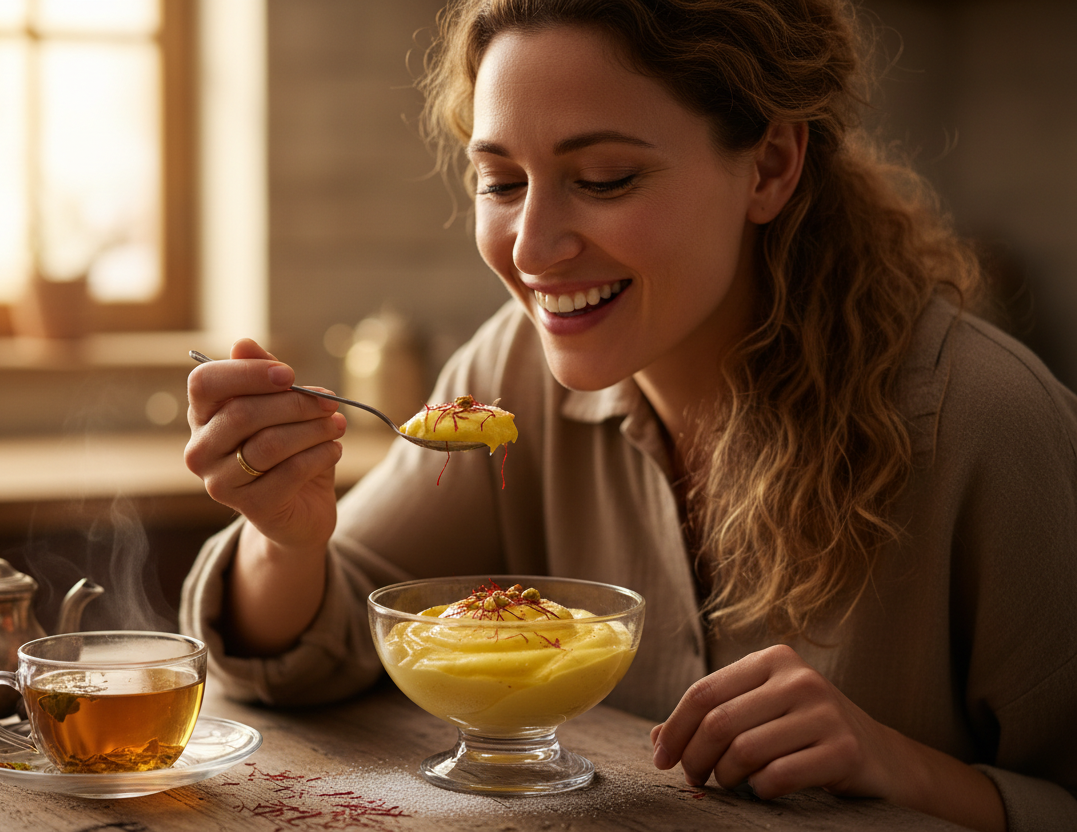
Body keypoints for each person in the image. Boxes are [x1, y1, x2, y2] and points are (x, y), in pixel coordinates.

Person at [180, 1, 1077, 830]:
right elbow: (310, 645)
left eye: (604, 179)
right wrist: (286, 535)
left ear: (770, 166)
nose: (533, 249)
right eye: (501, 182)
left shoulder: (990, 425)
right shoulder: (507, 372)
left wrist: (903, 767)